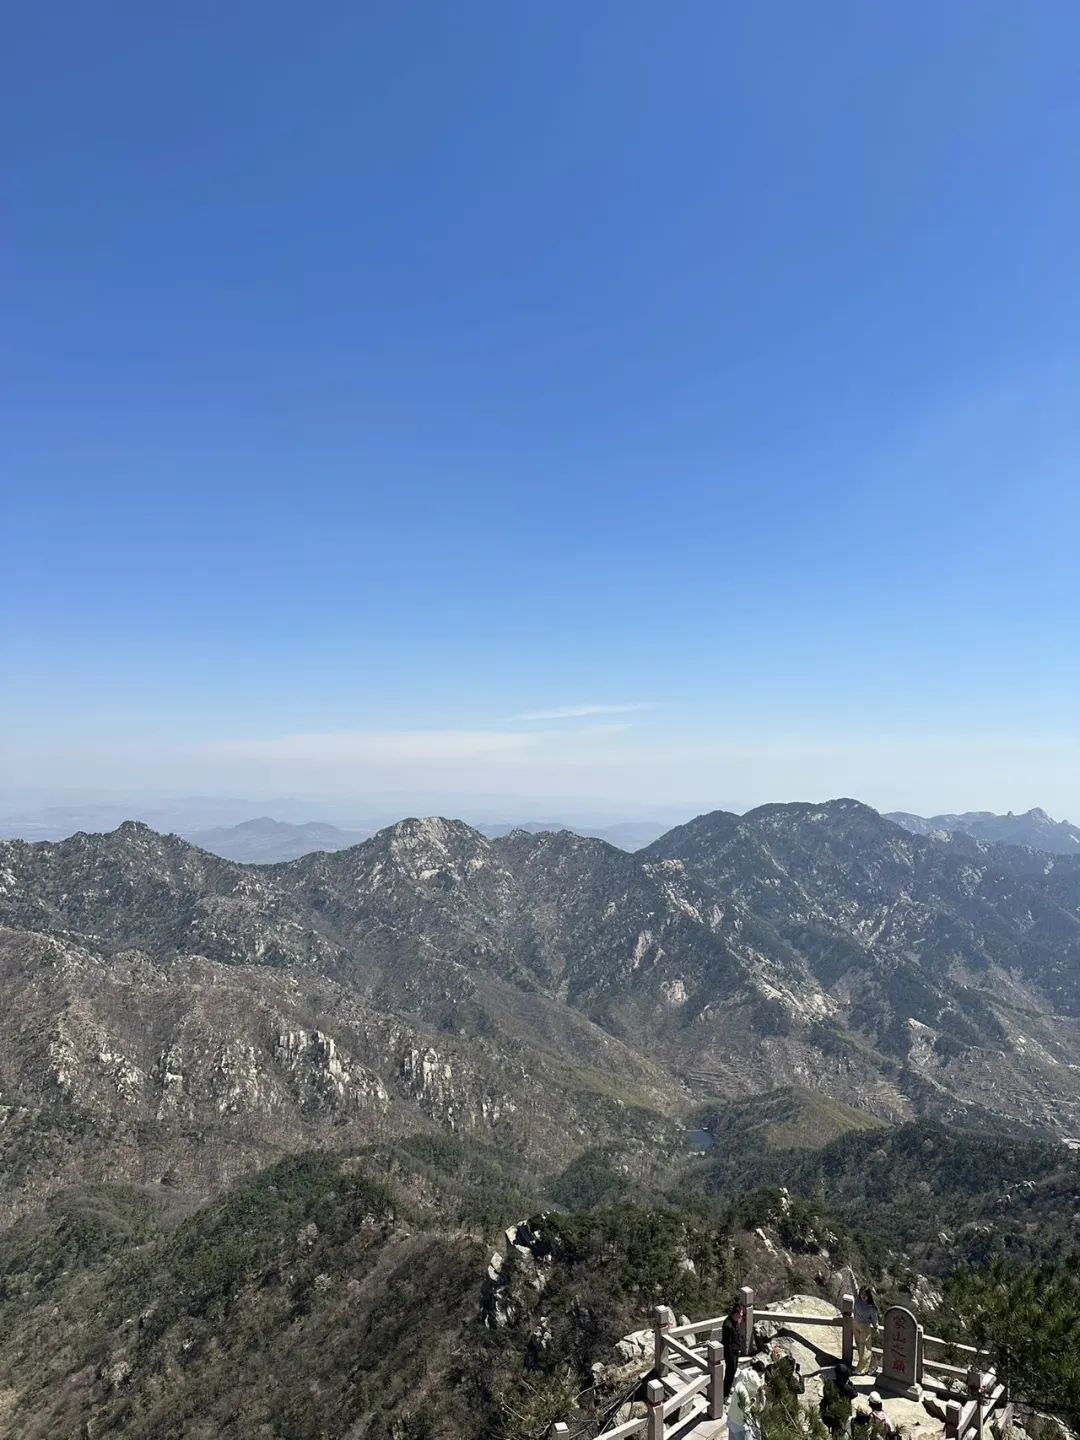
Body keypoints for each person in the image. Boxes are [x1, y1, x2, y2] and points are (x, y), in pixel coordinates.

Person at [727, 1357, 766, 1440]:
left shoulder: (741, 1384)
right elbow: (746, 1414)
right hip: (740, 1424)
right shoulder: (744, 1394)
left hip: (732, 1417)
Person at [819, 1363, 857, 1437]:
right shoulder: (847, 1388)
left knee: (835, 1431)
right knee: (841, 1432)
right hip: (844, 1414)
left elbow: (825, 1394)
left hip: (831, 1413)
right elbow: (855, 1394)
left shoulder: (830, 1384)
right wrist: (849, 1383)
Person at [721, 1300, 744, 1401]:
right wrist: (730, 1357)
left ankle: (727, 1389)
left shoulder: (736, 1322)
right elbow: (728, 1344)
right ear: (736, 1314)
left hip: (736, 1350)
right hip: (730, 1353)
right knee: (729, 1373)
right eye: (740, 1315)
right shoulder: (728, 1325)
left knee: (733, 1372)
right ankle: (724, 1395)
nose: (741, 1317)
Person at [853, 1286, 879, 1375]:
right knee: (859, 1347)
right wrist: (850, 1273)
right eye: (862, 1294)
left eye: (866, 1294)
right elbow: (854, 1285)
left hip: (865, 1327)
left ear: (869, 1295)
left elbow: (875, 1319)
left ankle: (861, 1369)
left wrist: (876, 1327)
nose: (863, 1296)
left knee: (864, 1348)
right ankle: (873, 1365)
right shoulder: (857, 1299)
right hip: (855, 1324)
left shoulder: (871, 1307)